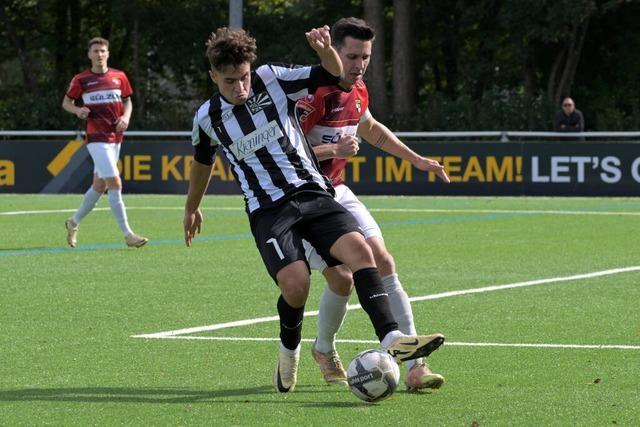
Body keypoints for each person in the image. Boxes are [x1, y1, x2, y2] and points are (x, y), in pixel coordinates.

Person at [184, 26, 445, 393]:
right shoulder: (206, 118)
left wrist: (325, 50)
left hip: (314, 192)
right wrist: (191, 208)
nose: (240, 88)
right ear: (213, 76)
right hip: (269, 210)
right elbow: (201, 162)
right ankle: (289, 351)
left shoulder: (272, 79)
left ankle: (392, 339)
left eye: (243, 78)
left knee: (362, 252)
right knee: (296, 286)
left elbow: (332, 76)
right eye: (230, 82)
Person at [296, 17, 449, 392]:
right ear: (333, 53)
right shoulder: (312, 96)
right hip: (301, 200)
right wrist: (333, 148)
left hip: (338, 191)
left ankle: (416, 366)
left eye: (365, 56)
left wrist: (416, 159)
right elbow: (284, 156)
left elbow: (372, 129)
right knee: (342, 279)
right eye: (351, 56)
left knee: (384, 261)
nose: (359, 64)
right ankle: (323, 348)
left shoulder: (359, 90)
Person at [62, 37, 148, 248]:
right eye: (95, 51)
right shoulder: (81, 79)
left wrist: (126, 118)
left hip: (116, 137)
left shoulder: (119, 76)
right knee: (114, 183)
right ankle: (128, 235)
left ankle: (73, 222)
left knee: (99, 185)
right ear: (89, 54)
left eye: (102, 51)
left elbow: (127, 101)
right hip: (96, 138)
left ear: (107, 54)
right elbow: (66, 102)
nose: (99, 54)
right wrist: (78, 110)